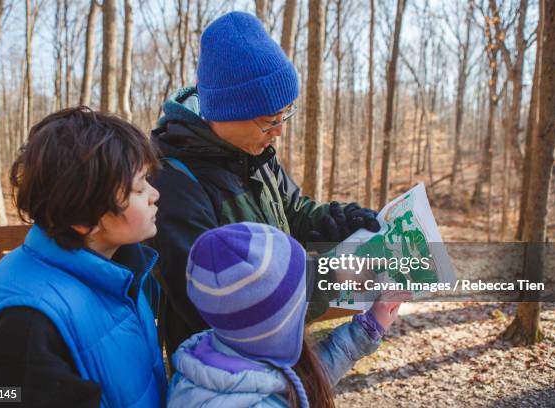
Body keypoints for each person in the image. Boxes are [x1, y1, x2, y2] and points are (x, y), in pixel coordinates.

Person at [150, 11, 381, 362]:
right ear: (226, 111)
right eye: (269, 120)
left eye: (285, 114)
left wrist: (337, 220)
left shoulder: (254, 152)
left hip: (276, 358)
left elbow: (294, 212)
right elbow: (221, 306)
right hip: (220, 375)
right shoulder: (175, 184)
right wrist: (332, 277)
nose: (279, 131)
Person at [0, 107, 167, 408]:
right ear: (85, 216)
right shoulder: (27, 323)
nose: (154, 194)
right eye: (140, 187)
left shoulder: (116, 267)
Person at [167, 223, 400, 408]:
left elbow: (303, 382)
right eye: (302, 299)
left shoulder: (218, 353)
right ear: (279, 323)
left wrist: (367, 329)